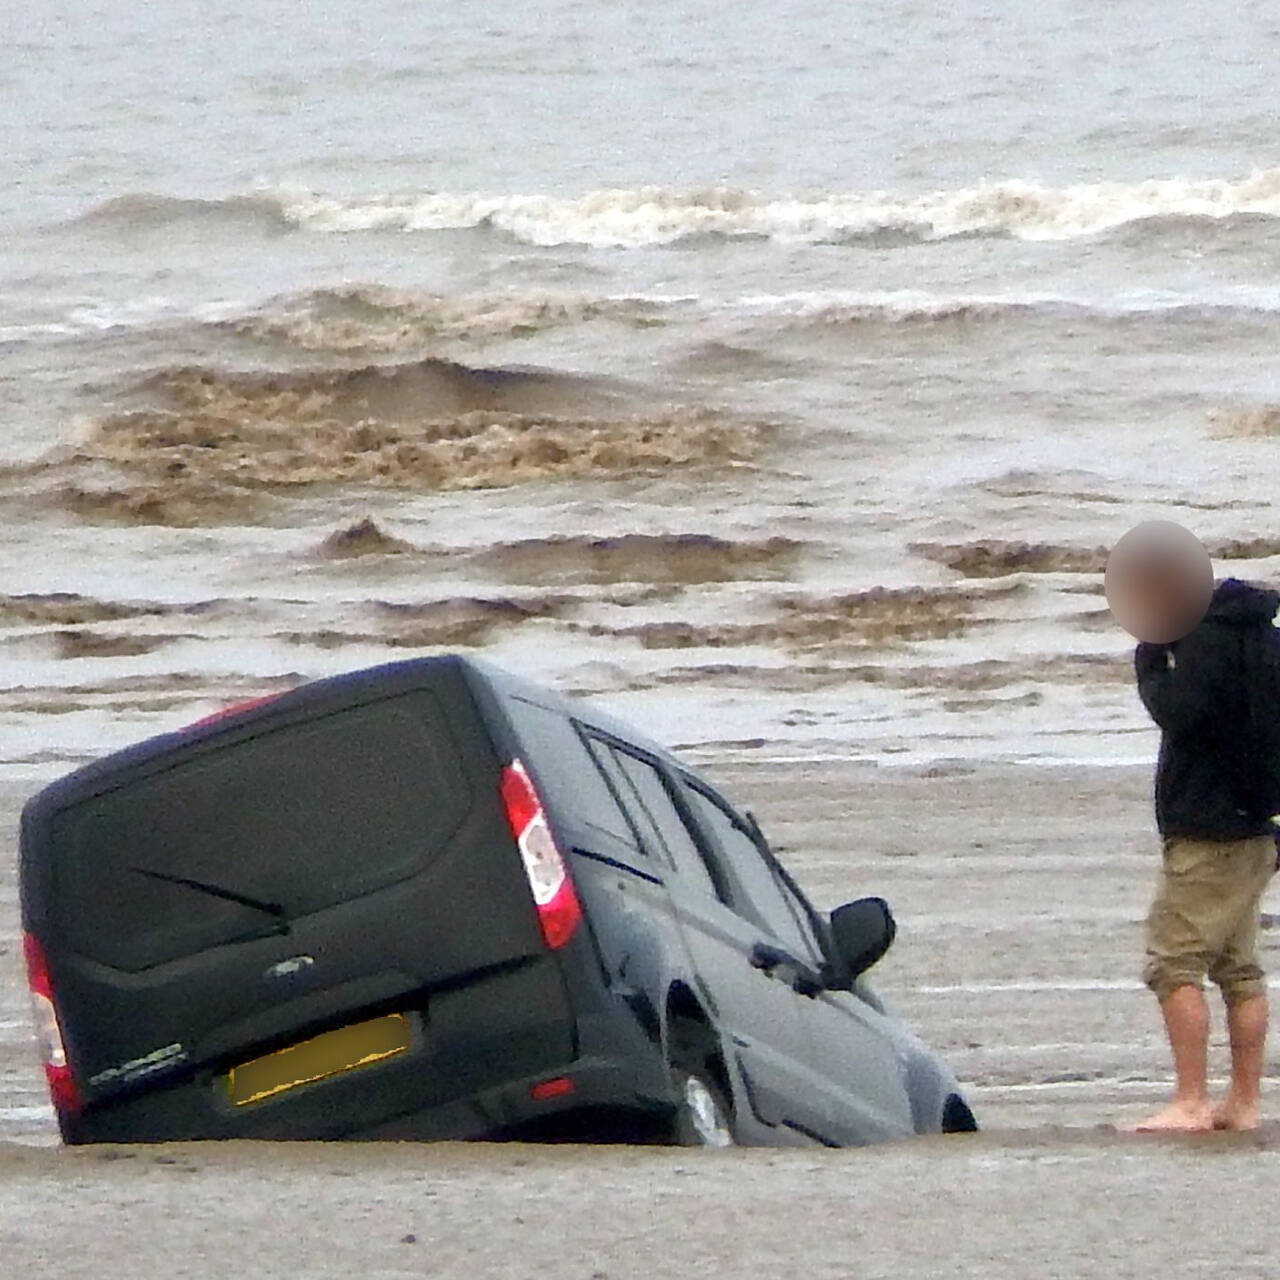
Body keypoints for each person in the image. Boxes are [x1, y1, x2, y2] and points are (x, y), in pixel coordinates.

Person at [1106, 521, 1280, 1133]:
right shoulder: (1262, 634)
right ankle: (1244, 1102)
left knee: (1173, 961)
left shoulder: (1202, 638)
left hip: (1210, 831)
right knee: (1237, 965)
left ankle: (1189, 1100)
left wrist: (1151, 660)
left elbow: (1182, 712)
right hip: (1258, 825)